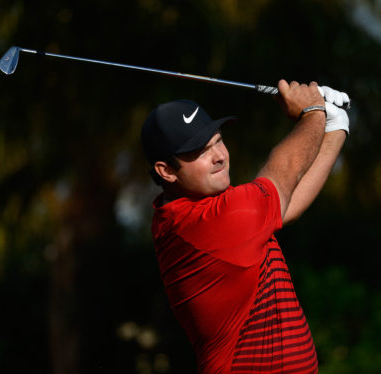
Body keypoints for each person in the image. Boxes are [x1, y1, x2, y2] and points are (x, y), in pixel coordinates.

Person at [141, 80, 350, 374]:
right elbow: (286, 169)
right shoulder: (207, 225)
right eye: (200, 151)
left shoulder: (190, 212)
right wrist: (313, 110)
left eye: (218, 141)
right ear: (166, 171)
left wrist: (335, 125)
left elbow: (287, 204)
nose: (220, 156)